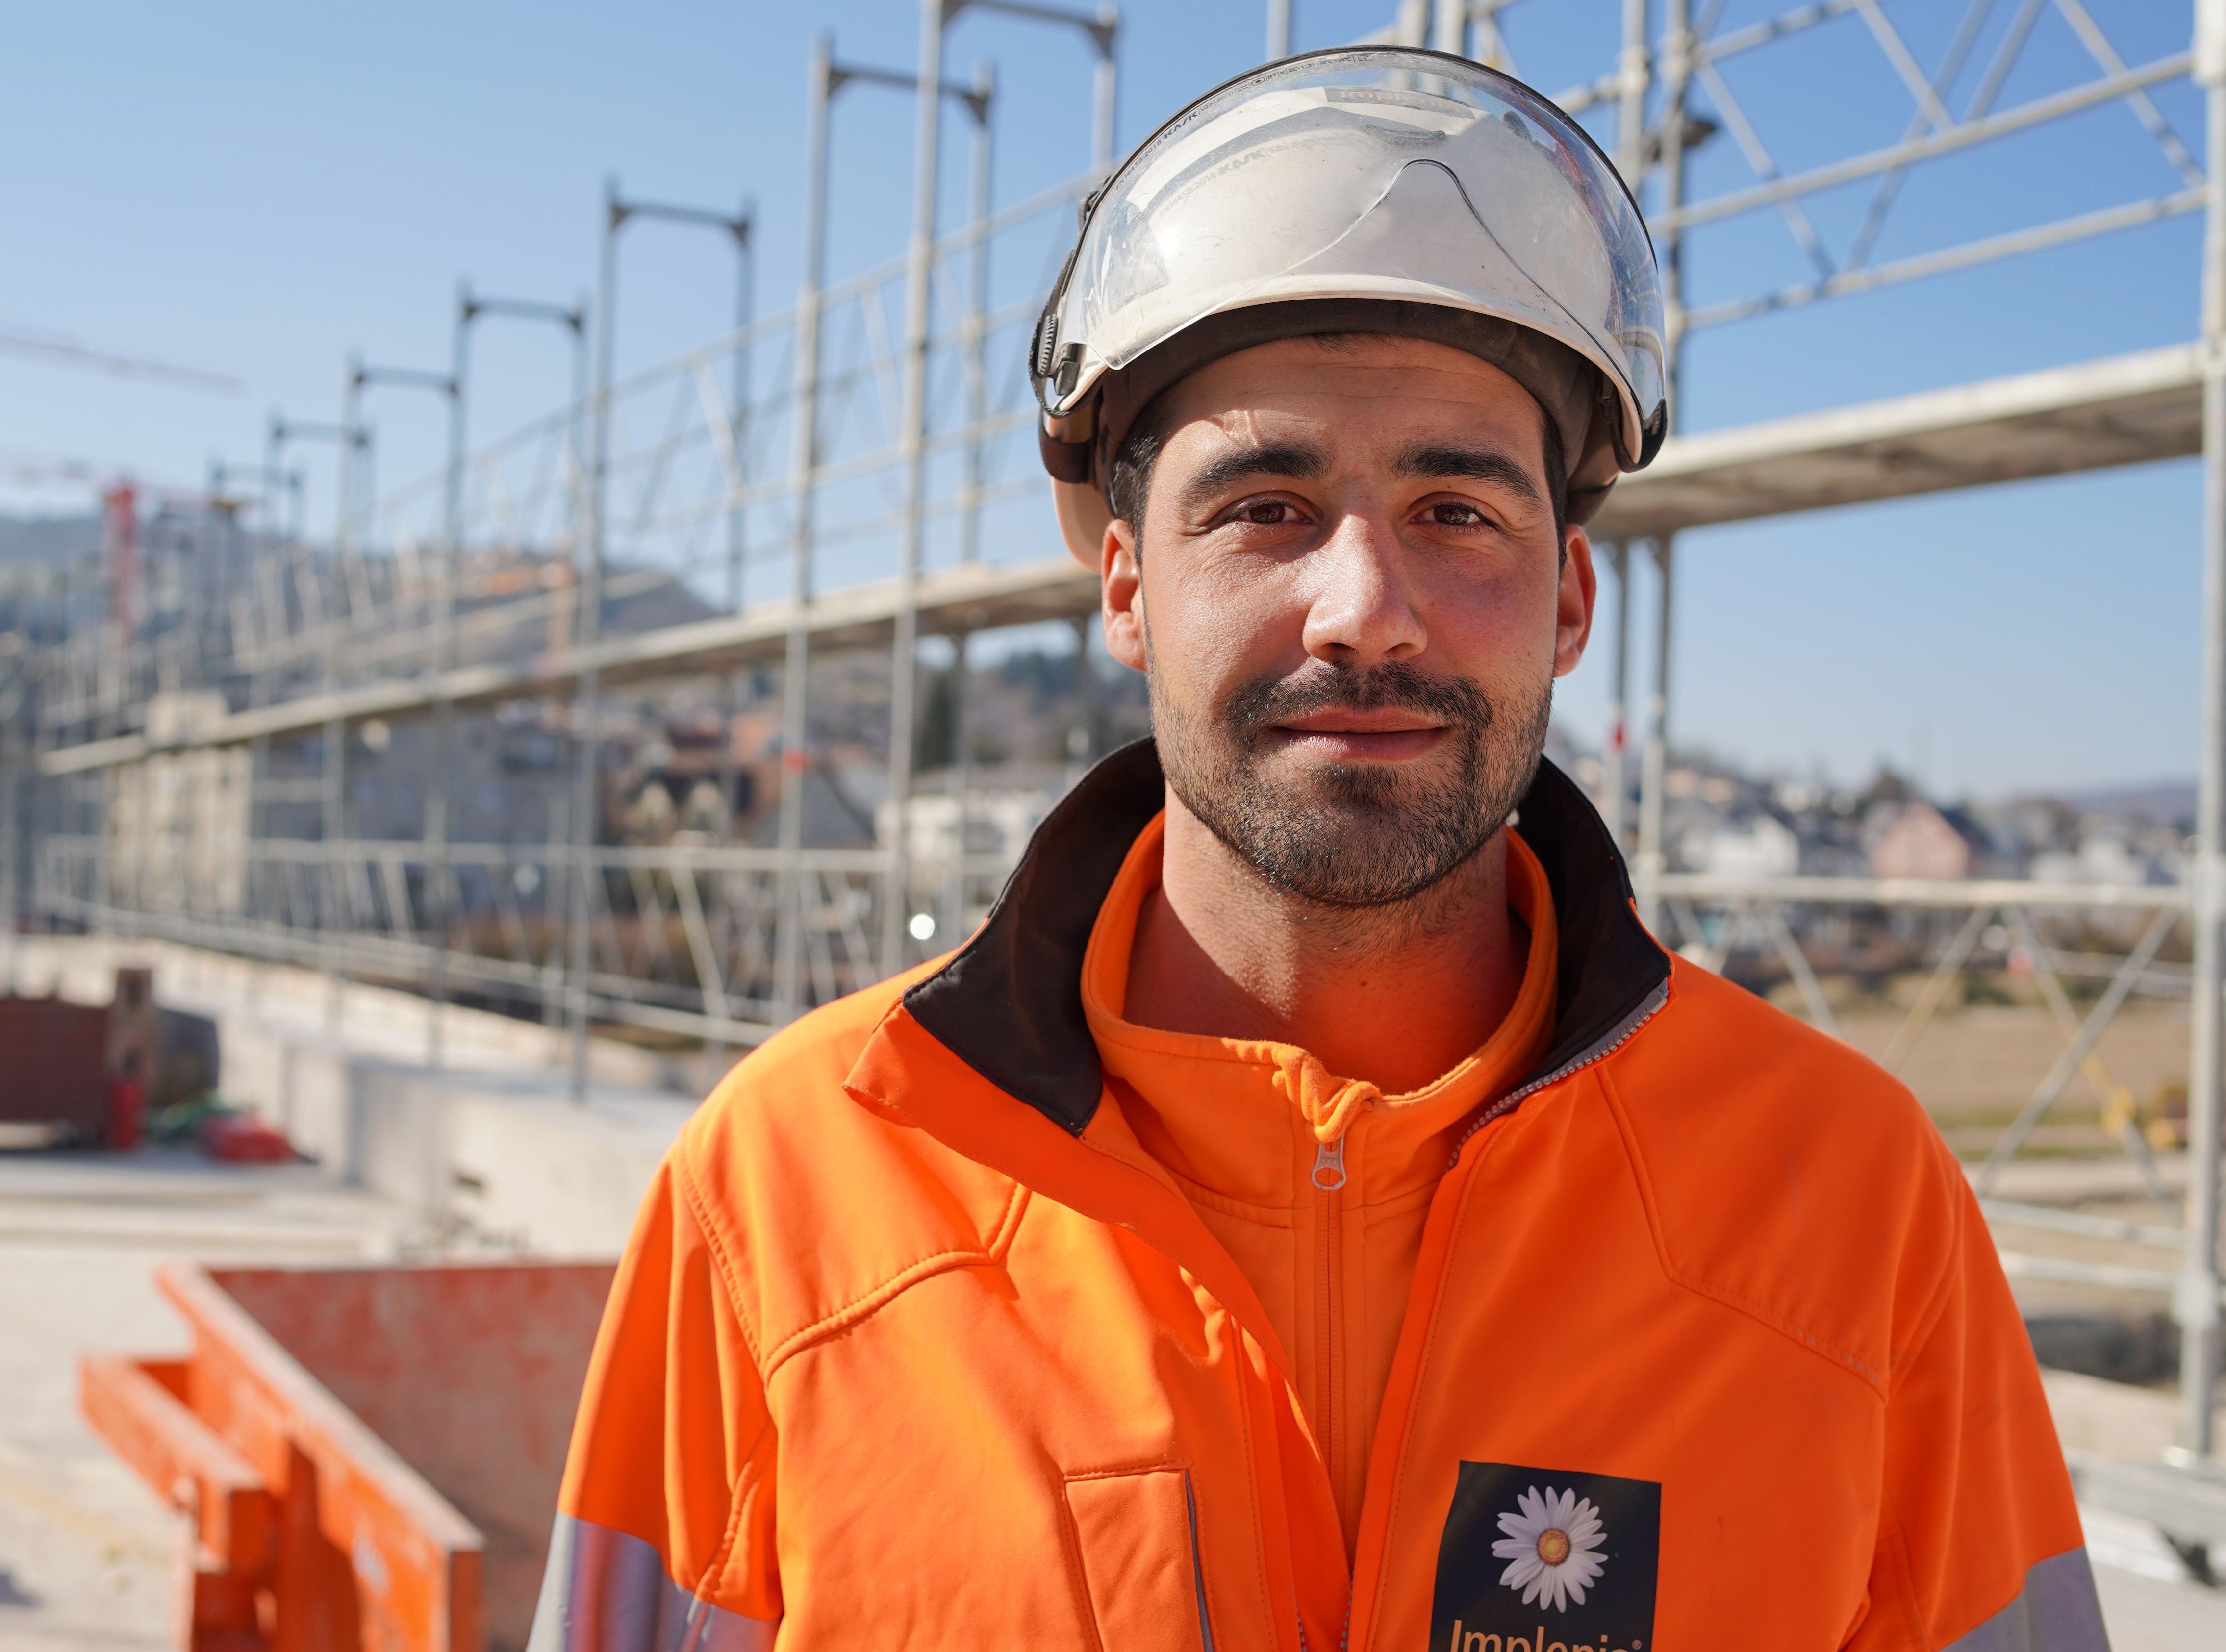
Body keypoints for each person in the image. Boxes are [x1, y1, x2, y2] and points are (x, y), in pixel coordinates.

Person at [532, 46, 2104, 1652]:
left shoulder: (1848, 1202)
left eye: (1456, 511)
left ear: (1567, 598)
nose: (1365, 608)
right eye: (1269, 506)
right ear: (1130, 586)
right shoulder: (791, 1189)